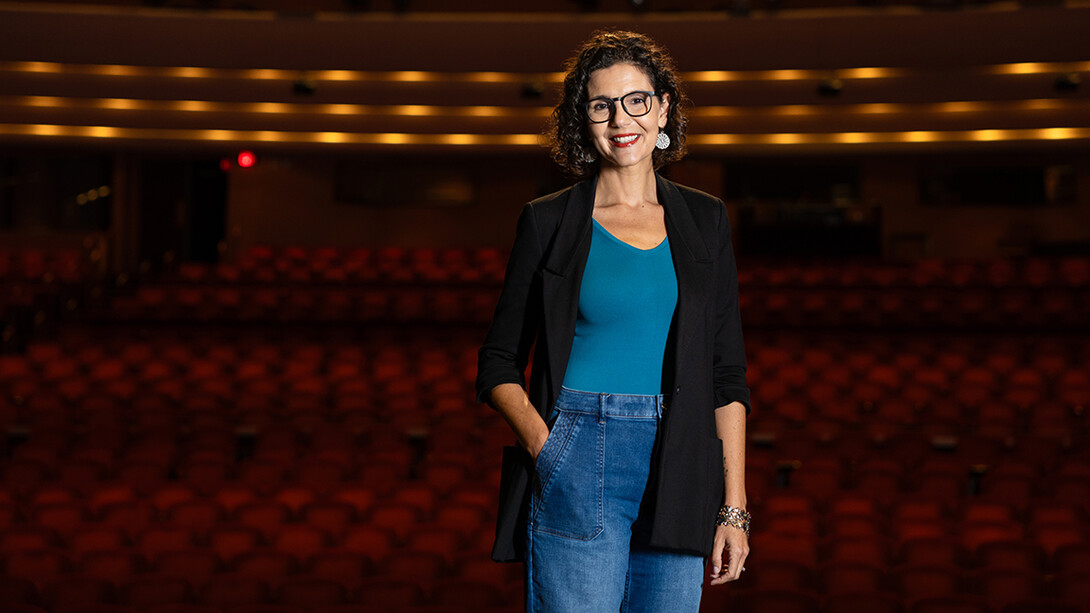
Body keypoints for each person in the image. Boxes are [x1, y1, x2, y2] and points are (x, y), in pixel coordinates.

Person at [475, 29, 751, 613]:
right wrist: (549, 450)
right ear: (584, 119)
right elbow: (498, 362)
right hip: (580, 444)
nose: (621, 119)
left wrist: (734, 508)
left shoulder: (705, 219)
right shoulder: (548, 221)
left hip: (681, 455)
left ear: (663, 108)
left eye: (636, 100)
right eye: (601, 105)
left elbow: (726, 374)